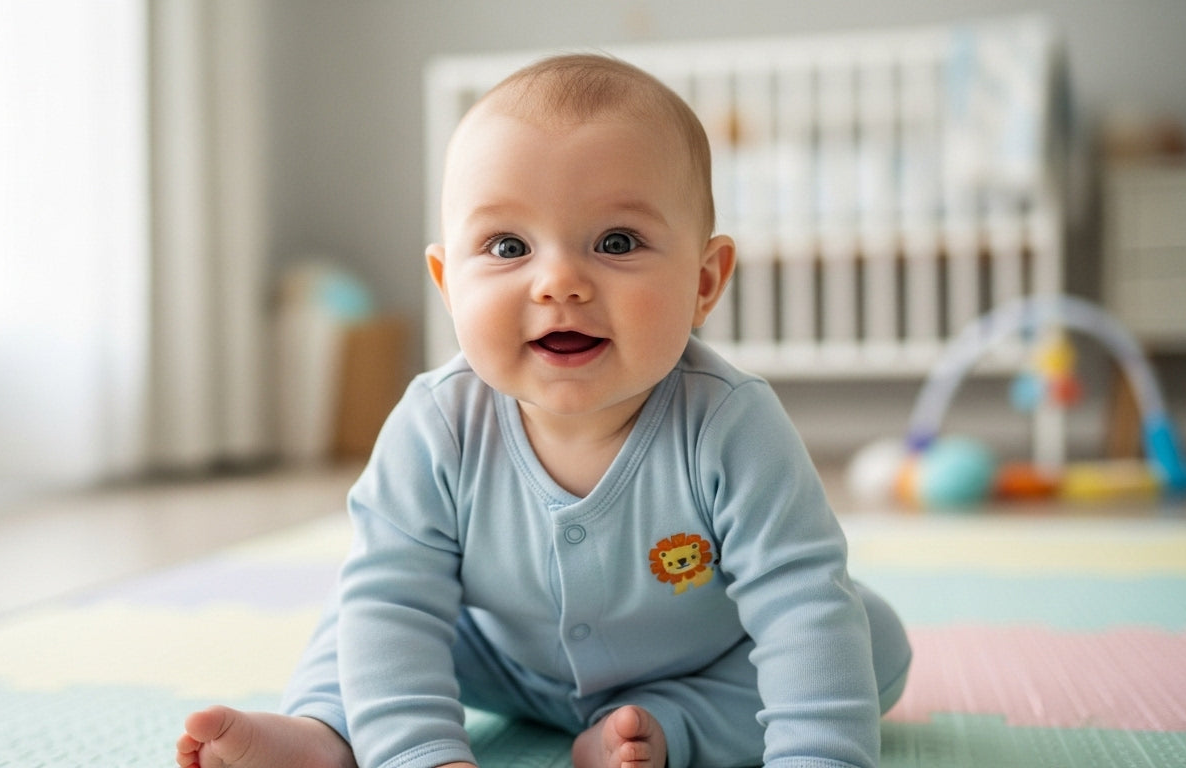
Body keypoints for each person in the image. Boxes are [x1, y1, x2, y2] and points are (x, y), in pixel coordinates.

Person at [176, 52, 911, 768]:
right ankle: (326, 734)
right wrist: (417, 755)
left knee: (862, 635)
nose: (559, 281)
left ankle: (665, 728)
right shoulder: (436, 427)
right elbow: (394, 610)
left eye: (616, 242)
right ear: (447, 281)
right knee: (369, 616)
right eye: (507, 246)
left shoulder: (733, 427)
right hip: (496, 660)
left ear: (704, 280)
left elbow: (796, 605)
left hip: (700, 659)